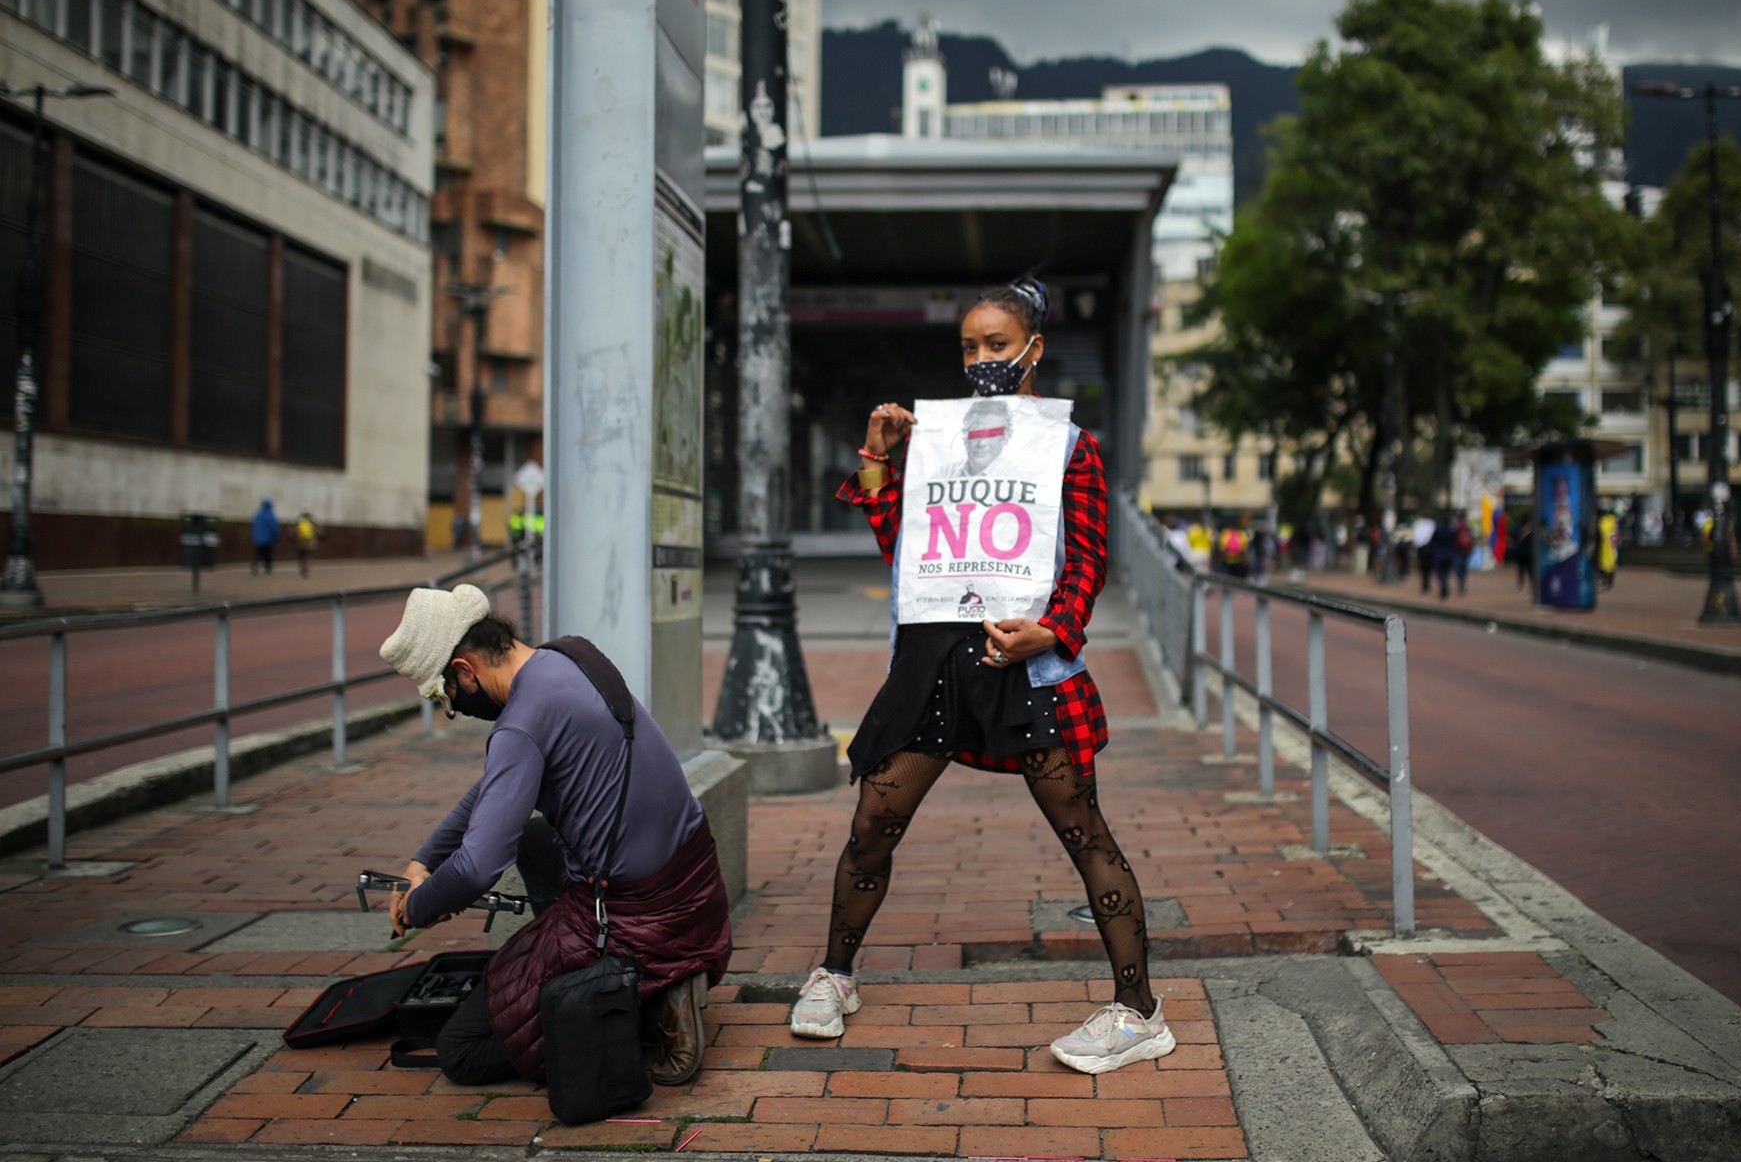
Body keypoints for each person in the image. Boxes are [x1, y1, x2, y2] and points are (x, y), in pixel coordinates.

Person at [792, 276, 1175, 1075]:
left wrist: (1053, 631)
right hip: (935, 665)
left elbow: (1090, 559)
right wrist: (877, 459)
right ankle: (835, 974)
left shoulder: (1070, 446)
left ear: (1034, 349)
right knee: (872, 822)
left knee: (1084, 835)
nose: (981, 360)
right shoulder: (934, 440)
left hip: (1025, 668)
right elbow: (904, 549)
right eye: (968, 346)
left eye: (996, 344)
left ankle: (1140, 1013)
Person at [376, 586, 731, 1089]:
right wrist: (425, 861)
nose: (453, 709)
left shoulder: (520, 725)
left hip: (634, 913)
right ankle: (592, 971)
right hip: (692, 882)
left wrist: (418, 909)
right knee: (534, 841)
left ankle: (639, 1002)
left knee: (463, 1051)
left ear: (464, 671)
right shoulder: (569, 657)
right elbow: (492, 792)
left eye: (444, 697)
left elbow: (479, 866)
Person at [1430, 513, 1459, 601]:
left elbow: (1432, 541)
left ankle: (1443, 584)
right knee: (1446, 571)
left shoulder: (1438, 529)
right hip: (1450, 554)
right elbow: (1456, 541)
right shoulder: (1452, 530)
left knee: (1440, 572)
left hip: (1439, 554)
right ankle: (1445, 583)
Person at [250, 498, 280, 575]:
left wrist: (255, 536)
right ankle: (268, 568)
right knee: (268, 553)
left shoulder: (258, 515)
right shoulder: (270, 515)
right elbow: (274, 528)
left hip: (258, 538)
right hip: (268, 539)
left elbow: (254, 527)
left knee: (259, 552)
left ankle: (255, 563)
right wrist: (276, 535)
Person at [294, 510, 323, 579]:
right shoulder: (312, 523)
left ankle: (302, 567)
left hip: (300, 543)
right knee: (308, 556)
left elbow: (293, 532)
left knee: (301, 556)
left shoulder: (299, 522)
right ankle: (306, 568)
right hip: (309, 543)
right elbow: (319, 532)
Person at [1596, 510, 1619, 592]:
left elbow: (1614, 532)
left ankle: (1608, 582)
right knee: (1605, 562)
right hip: (1606, 544)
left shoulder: (1609, 520)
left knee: (1610, 563)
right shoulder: (1608, 520)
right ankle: (1606, 581)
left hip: (1609, 544)